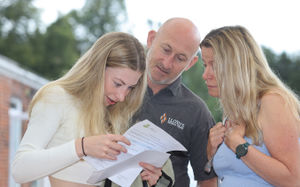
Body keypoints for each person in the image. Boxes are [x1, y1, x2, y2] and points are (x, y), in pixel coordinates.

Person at [12, 32, 172, 187]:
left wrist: (147, 177)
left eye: (130, 88)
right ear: (96, 69)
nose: (122, 96)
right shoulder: (57, 97)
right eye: (117, 83)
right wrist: (82, 146)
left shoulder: (113, 112)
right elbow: (20, 170)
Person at [201, 25, 300, 186]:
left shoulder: (272, 101)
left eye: (214, 65)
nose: (205, 75)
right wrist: (211, 151)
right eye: (205, 65)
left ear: (236, 64)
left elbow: (293, 179)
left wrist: (238, 144)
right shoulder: (233, 111)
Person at [132, 17, 217, 187]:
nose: (167, 63)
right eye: (165, 49)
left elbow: (208, 180)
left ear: (190, 63)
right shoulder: (116, 88)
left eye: (180, 58)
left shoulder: (196, 111)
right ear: (151, 39)